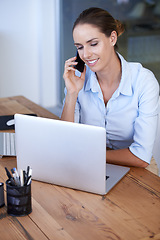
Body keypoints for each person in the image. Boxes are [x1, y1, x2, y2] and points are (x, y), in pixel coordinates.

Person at [61, 7, 159, 168]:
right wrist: (72, 94)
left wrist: (91, 155)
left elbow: (141, 156)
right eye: (79, 47)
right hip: (88, 163)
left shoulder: (143, 81)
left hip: (134, 168)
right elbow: (65, 140)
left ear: (112, 38)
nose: (85, 55)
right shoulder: (78, 80)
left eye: (93, 44)